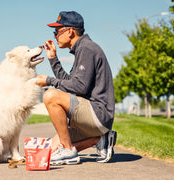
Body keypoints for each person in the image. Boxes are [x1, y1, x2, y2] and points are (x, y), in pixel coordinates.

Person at [36, 11, 117, 165]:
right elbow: (72, 85)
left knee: (50, 96)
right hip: (92, 118)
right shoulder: (83, 49)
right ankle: (99, 140)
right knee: (49, 150)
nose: (55, 36)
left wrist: (49, 81)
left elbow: (79, 87)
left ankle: (68, 150)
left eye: (57, 32)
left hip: (98, 115)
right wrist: (53, 59)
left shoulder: (87, 48)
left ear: (70, 31)